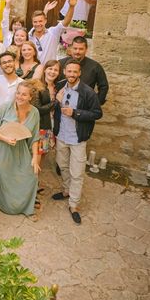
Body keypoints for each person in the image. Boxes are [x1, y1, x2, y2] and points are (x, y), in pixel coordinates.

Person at [51, 59, 103, 225]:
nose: (72, 74)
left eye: (75, 72)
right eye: (69, 71)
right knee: (62, 165)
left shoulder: (88, 92)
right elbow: (54, 108)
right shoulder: (60, 86)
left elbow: (97, 113)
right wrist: (56, 101)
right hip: (61, 136)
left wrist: (76, 113)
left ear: (79, 73)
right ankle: (66, 190)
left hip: (78, 138)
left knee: (77, 172)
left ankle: (74, 205)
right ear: (65, 72)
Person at [0, 81, 41, 217]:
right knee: (3, 173)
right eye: (18, 93)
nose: (20, 97)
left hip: (19, 148)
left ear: (30, 97)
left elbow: (35, 137)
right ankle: (4, 203)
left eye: (24, 95)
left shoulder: (35, 113)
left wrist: (35, 158)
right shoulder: (6, 107)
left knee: (31, 175)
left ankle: (24, 203)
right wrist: (5, 138)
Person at [59, 36, 108, 105]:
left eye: (81, 49)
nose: (77, 51)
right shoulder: (60, 64)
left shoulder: (95, 66)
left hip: (83, 108)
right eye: (75, 48)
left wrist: (96, 103)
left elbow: (104, 86)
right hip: (61, 105)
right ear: (71, 48)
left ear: (86, 49)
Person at [29, 0, 77, 65]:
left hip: (49, 71)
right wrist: (45, 11)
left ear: (45, 21)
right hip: (33, 71)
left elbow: (66, 22)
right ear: (32, 23)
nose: (38, 24)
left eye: (40, 21)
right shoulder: (29, 35)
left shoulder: (53, 33)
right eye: (35, 22)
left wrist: (71, 6)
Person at [32, 60, 61, 175]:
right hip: (41, 125)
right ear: (45, 70)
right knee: (37, 155)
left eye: (55, 70)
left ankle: (35, 182)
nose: (52, 72)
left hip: (52, 125)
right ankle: (32, 185)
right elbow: (38, 109)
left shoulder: (56, 87)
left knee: (44, 152)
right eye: (50, 68)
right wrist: (55, 101)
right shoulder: (38, 86)